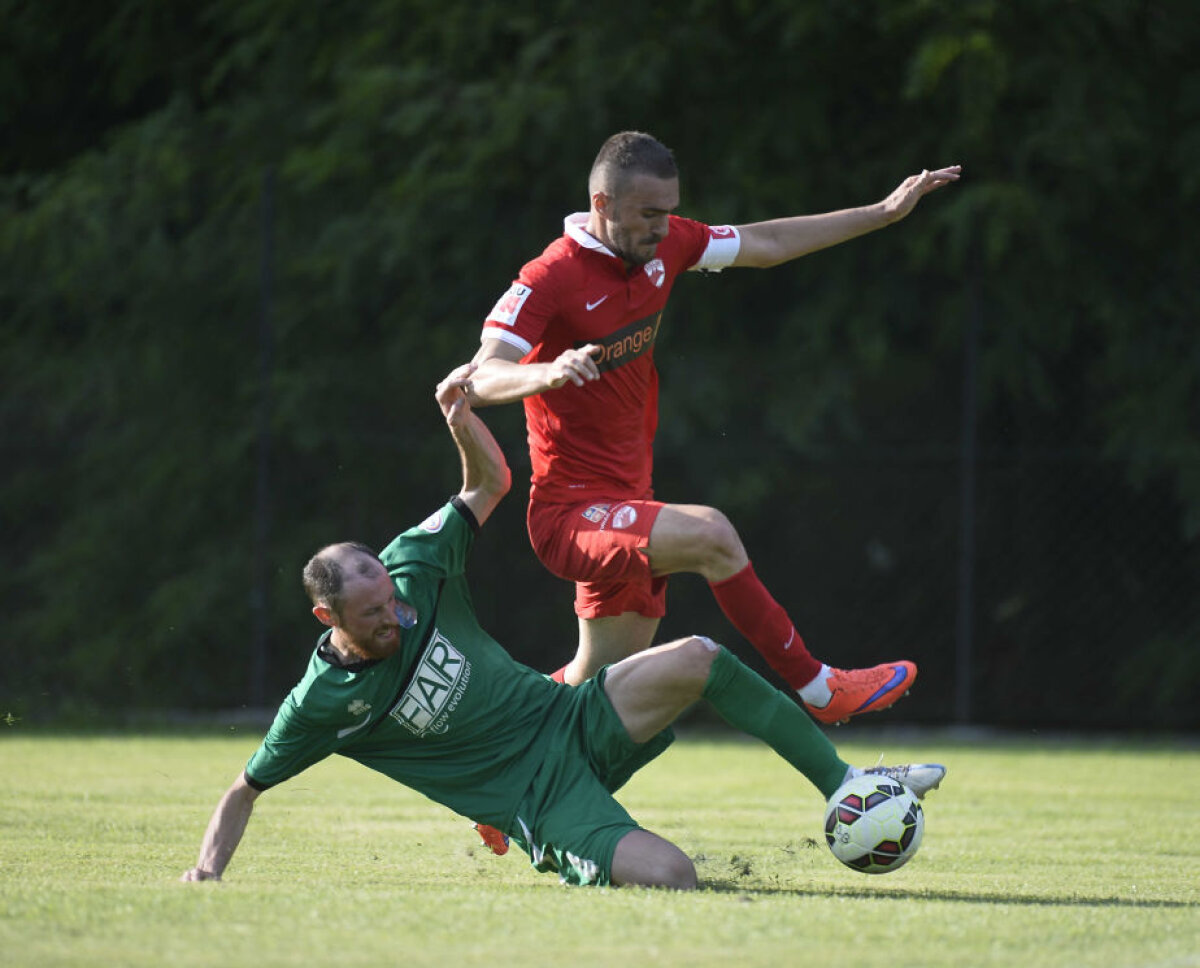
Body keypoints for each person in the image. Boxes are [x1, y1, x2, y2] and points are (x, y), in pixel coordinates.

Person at [180, 363, 946, 889]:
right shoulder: (320, 704)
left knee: (699, 656)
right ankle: (567, 855)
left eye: (391, 597)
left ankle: (847, 782)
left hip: (570, 716)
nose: (395, 615)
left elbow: (490, 482)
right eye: (374, 614)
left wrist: (460, 415)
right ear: (328, 619)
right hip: (536, 799)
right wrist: (208, 872)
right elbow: (244, 789)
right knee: (675, 876)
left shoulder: (410, 566)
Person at [466, 130, 961, 727]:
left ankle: (495, 784)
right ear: (603, 205)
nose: (663, 226)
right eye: (649, 213)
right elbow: (480, 377)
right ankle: (819, 687)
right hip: (569, 516)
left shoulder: (667, 244)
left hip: (628, 503)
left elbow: (768, 241)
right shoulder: (550, 277)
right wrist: (547, 372)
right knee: (713, 535)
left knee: (592, 689)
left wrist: (882, 213)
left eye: (669, 212)